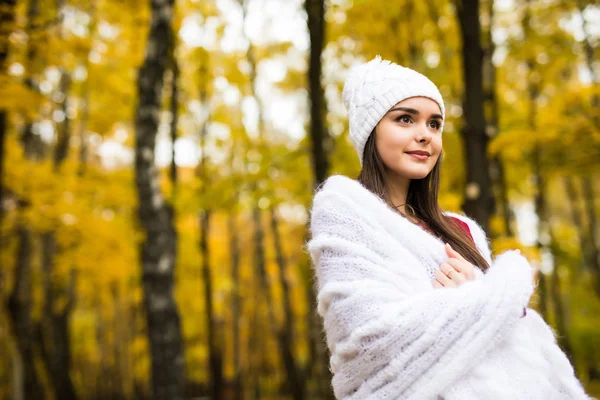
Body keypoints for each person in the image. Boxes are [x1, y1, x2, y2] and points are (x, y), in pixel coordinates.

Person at [307, 56, 591, 400]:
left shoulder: (460, 229)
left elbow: (512, 333)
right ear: (371, 131)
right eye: (405, 119)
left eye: (434, 124)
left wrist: (481, 300)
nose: (424, 135)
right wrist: (484, 299)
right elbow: (368, 338)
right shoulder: (345, 212)